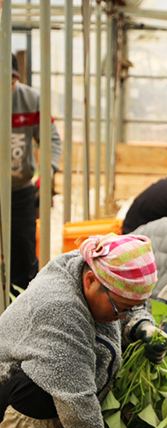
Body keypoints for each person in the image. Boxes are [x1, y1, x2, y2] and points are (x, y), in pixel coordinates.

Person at [0, 234, 167, 428]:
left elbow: (130, 302)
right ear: (90, 281)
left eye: (130, 309)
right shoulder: (59, 310)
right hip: (12, 407)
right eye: (121, 309)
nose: (122, 316)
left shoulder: (95, 270)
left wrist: (141, 324)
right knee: (40, 392)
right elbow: (78, 405)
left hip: (55, 398)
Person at [10, 53, 62, 292]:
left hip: (20, 191)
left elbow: (51, 139)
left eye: (10, 81)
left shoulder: (31, 99)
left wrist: (46, 174)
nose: (6, 87)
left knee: (23, 253)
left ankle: (20, 305)